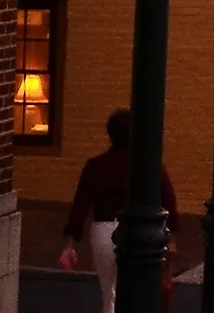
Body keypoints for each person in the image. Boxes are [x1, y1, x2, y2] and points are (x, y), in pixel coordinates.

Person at [60, 108, 175, 313]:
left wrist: (70, 243)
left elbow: (80, 205)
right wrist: (171, 235)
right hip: (138, 231)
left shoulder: (95, 166)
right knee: (138, 290)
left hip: (104, 230)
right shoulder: (149, 166)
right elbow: (168, 198)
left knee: (110, 292)